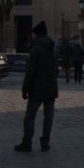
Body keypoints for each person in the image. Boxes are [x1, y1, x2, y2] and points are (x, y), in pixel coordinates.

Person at [15, 21, 58, 152]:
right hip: (51, 88)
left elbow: (31, 71)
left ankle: (27, 142)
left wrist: (25, 88)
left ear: (36, 34)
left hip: (37, 88)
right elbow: (56, 69)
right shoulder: (52, 47)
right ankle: (45, 142)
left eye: (33, 33)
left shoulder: (35, 49)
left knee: (30, 116)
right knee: (48, 116)